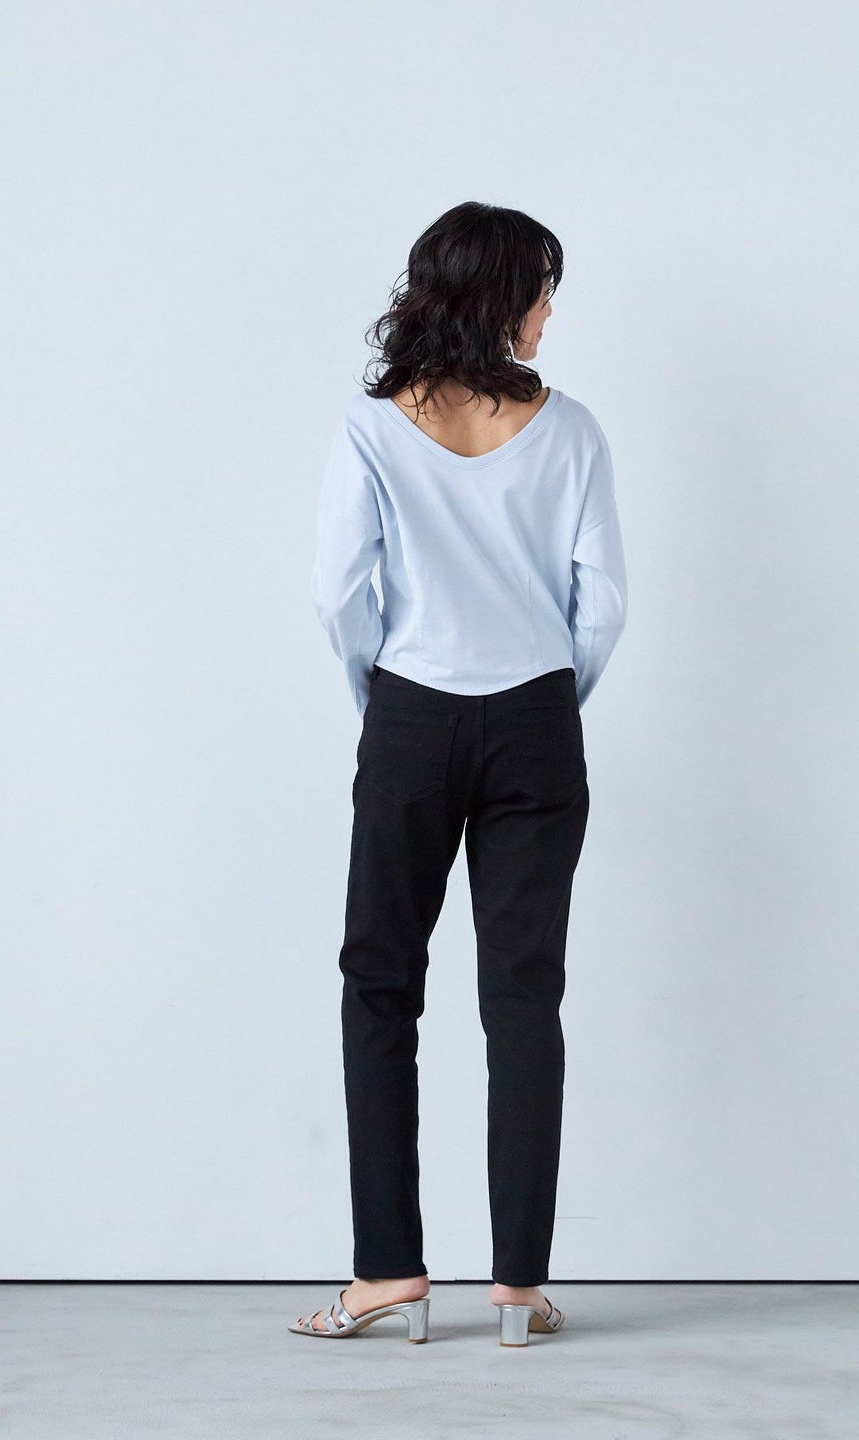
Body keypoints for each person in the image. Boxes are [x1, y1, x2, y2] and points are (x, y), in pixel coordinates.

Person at [292, 202, 627, 1346]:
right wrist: (548, 704)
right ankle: (518, 1286)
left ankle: (388, 1270)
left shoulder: (371, 429)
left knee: (380, 983)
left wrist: (388, 705)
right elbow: (603, 605)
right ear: (494, 296)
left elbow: (340, 596)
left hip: (410, 713)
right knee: (524, 995)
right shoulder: (571, 432)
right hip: (537, 714)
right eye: (539, 289)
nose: (548, 313)